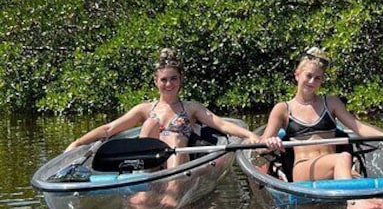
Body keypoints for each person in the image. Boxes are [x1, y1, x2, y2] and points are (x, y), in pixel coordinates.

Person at [255, 47, 383, 209]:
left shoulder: (331, 102)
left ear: (321, 81)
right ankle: (353, 204)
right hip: (304, 170)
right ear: (297, 74)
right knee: (344, 158)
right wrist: (270, 142)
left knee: (374, 196)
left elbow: (359, 127)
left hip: (335, 168)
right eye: (308, 76)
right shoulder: (282, 109)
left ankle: (373, 207)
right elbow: (261, 147)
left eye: (317, 78)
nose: (312, 82)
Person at [65, 48, 256, 157]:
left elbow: (220, 123)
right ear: (156, 81)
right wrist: (77, 142)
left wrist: (249, 135)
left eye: (173, 79)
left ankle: (173, 194)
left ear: (181, 79)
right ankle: (144, 184)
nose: (169, 84)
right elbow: (109, 129)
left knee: (174, 138)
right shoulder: (144, 109)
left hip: (178, 163)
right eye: (164, 80)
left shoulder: (191, 108)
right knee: (151, 123)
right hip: (149, 164)